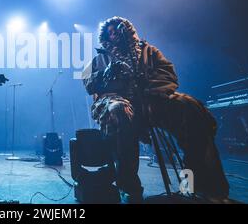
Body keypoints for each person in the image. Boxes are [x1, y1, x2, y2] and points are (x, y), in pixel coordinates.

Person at [82, 16, 230, 203]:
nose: (114, 34)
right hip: (117, 102)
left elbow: (168, 73)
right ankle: (129, 188)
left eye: (116, 30)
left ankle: (200, 186)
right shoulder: (100, 58)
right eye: (109, 32)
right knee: (119, 111)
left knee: (190, 106)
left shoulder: (148, 51)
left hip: (151, 100)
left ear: (127, 30)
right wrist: (106, 74)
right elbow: (87, 82)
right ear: (106, 37)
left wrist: (149, 89)